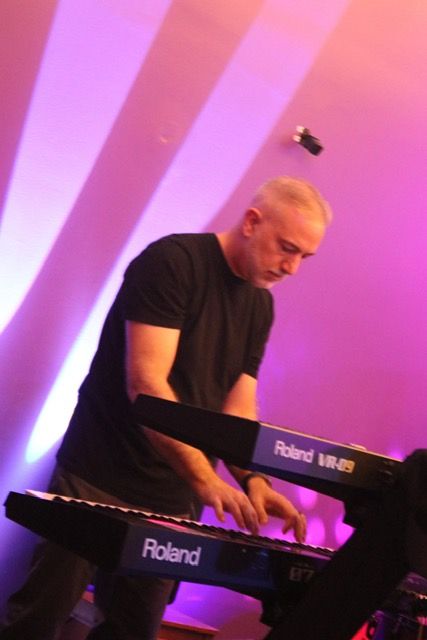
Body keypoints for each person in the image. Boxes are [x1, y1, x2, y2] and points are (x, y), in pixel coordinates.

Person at [0, 176, 332, 640]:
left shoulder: (261, 305)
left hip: (171, 500)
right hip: (97, 478)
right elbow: (147, 386)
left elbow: (238, 408)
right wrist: (205, 478)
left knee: (133, 631)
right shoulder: (173, 263)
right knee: (39, 619)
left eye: (304, 257)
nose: (292, 267)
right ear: (252, 222)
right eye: (287, 248)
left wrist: (254, 480)